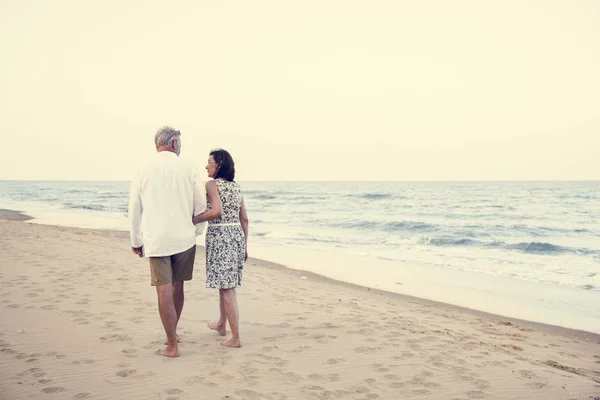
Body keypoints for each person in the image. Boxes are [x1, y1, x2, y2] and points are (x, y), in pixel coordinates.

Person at [128, 126, 206, 357]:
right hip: (184, 238)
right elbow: (200, 203)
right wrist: (196, 230)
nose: (181, 146)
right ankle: (172, 335)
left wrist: (136, 239)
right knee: (177, 285)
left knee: (163, 290)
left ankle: (172, 344)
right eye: (180, 142)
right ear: (173, 143)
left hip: (157, 238)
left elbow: (134, 206)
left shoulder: (143, 168)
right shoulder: (189, 166)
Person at [192, 149, 249, 348]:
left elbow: (216, 211)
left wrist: (193, 219)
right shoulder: (236, 187)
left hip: (220, 236)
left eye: (209, 162)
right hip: (236, 236)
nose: (206, 166)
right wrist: (245, 246)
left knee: (227, 289)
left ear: (219, 165)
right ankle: (221, 325)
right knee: (224, 284)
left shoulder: (211, 184)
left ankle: (235, 338)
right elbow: (244, 218)